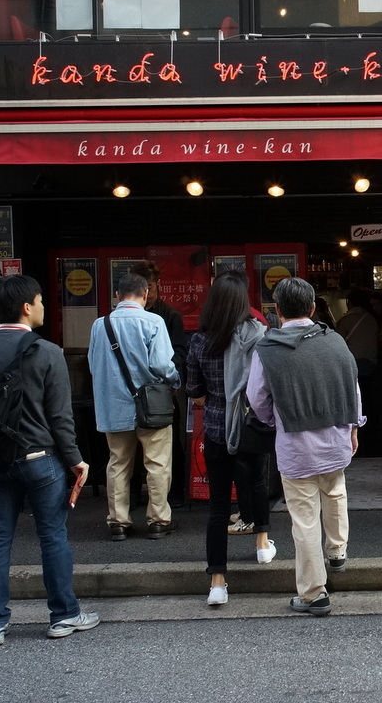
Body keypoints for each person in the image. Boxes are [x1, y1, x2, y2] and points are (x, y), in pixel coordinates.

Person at [0, 274, 99, 645]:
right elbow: (60, 417)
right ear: (26, 307)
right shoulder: (47, 352)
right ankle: (64, 616)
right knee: (52, 534)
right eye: (38, 301)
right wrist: (76, 460)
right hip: (40, 460)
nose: (41, 307)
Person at [247, 277, 364, 617]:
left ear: (277, 310)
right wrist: (354, 426)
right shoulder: (336, 342)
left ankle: (314, 593)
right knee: (335, 491)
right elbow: (352, 387)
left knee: (304, 519)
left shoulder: (267, 349)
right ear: (313, 308)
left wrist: (275, 420)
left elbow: (257, 398)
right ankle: (338, 550)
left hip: (295, 444)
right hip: (336, 436)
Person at [185, 271, 274, 607]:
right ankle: (262, 544)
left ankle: (217, 583)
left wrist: (215, 399)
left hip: (217, 428)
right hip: (252, 425)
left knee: (219, 508)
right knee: (257, 483)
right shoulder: (259, 337)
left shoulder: (198, 342)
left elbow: (194, 391)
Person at [88, 273, 180, 541]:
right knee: (157, 463)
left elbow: (94, 366)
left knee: (117, 463)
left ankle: (118, 522)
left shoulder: (99, 325)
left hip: (113, 406)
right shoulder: (154, 321)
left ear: (118, 296)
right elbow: (162, 365)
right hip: (152, 408)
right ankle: (158, 521)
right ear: (144, 295)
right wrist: (175, 380)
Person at [129, 260, 190, 508]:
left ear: (158, 286)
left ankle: (173, 495)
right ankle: (133, 496)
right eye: (144, 286)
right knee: (131, 450)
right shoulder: (126, 317)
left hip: (161, 391)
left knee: (168, 447)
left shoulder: (170, 315)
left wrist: (171, 380)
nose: (148, 291)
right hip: (132, 390)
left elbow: (180, 353)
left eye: (151, 285)